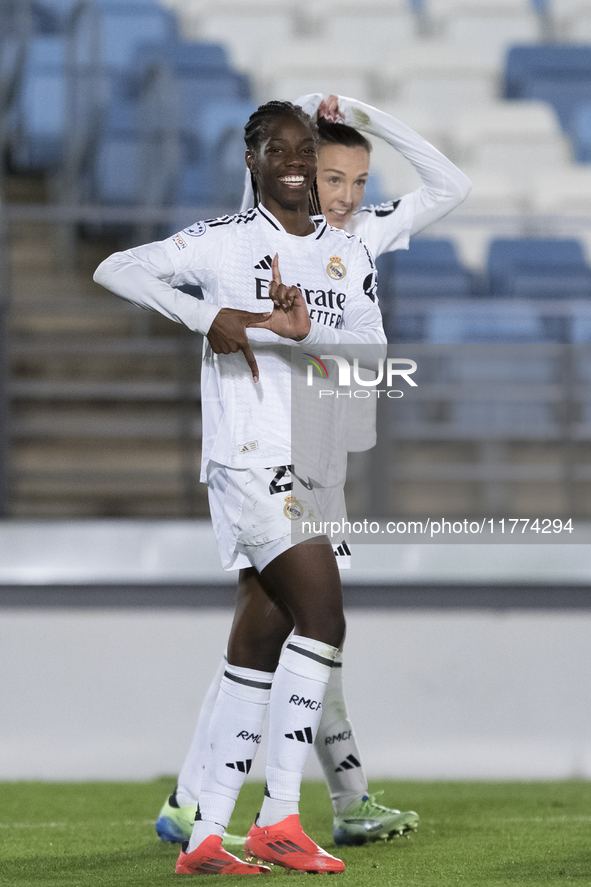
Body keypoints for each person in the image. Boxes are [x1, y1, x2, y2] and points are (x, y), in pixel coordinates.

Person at [154, 93, 472, 851]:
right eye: (331, 177)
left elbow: (450, 187)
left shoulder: (361, 233)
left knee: (270, 624)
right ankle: (290, 803)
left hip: (320, 449)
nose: (345, 196)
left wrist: (367, 111)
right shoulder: (267, 230)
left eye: (358, 181)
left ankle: (195, 800)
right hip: (265, 447)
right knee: (311, 624)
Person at [94, 100, 388, 875]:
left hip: (311, 458)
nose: (294, 161)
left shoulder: (344, 253)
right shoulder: (222, 244)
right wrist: (207, 316)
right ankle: (281, 818)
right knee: (322, 620)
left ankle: (203, 837)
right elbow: (115, 267)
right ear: (252, 160)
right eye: (277, 149)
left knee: (259, 638)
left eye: (304, 148)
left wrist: (303, 333)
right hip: (252, 457)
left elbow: (371, 347)